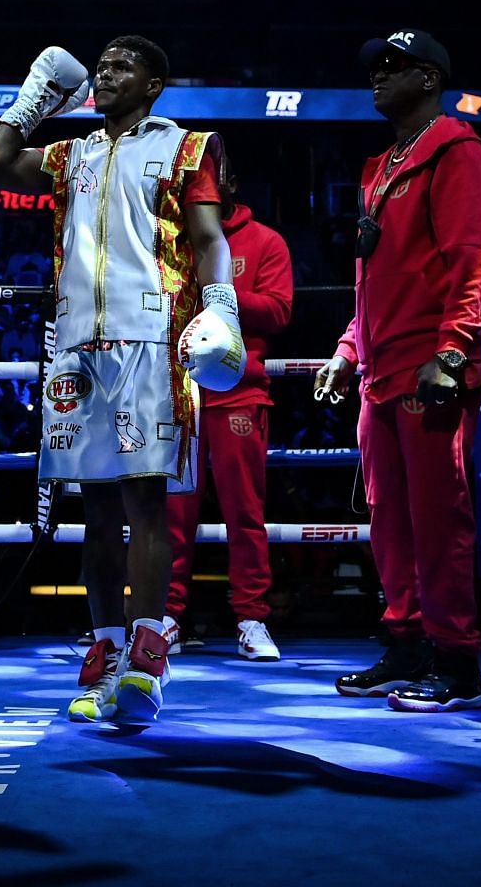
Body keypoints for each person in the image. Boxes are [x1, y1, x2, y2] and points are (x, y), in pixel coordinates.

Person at [0, 36, 241, 723]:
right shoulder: (72, 155)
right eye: (101, 66)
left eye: (122, 66)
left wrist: (222, 308)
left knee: (146, 504)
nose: (105, 74)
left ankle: (148, 661)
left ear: (155, 84)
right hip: (75, 345)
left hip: (150, 337)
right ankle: (106, 652)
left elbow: (210, 237)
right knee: (94, 512)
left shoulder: (187, 146)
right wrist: (33, 99)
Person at [315, 29, 481, 712]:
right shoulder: (382, 167)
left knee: (437, 519)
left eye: (395, 68)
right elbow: (375, 282)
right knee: (389, 521)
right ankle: (407, 645)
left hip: (430, 365)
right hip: (380, 370)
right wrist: (347, 347)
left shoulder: (458, 152)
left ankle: (458, 665)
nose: (378, 78)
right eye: (376, 68)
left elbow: (473, 256)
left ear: (430, 78)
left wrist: (452, 351)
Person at [164, 150, 294, 661]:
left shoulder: (265, 242)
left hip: (240, 393)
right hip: (177, 393)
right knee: (173, 515)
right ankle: (166, 619)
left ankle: (252, 619)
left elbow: (280, 310)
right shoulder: (171, 238)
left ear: (230, 181)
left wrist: (220, 295)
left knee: (245, 513)